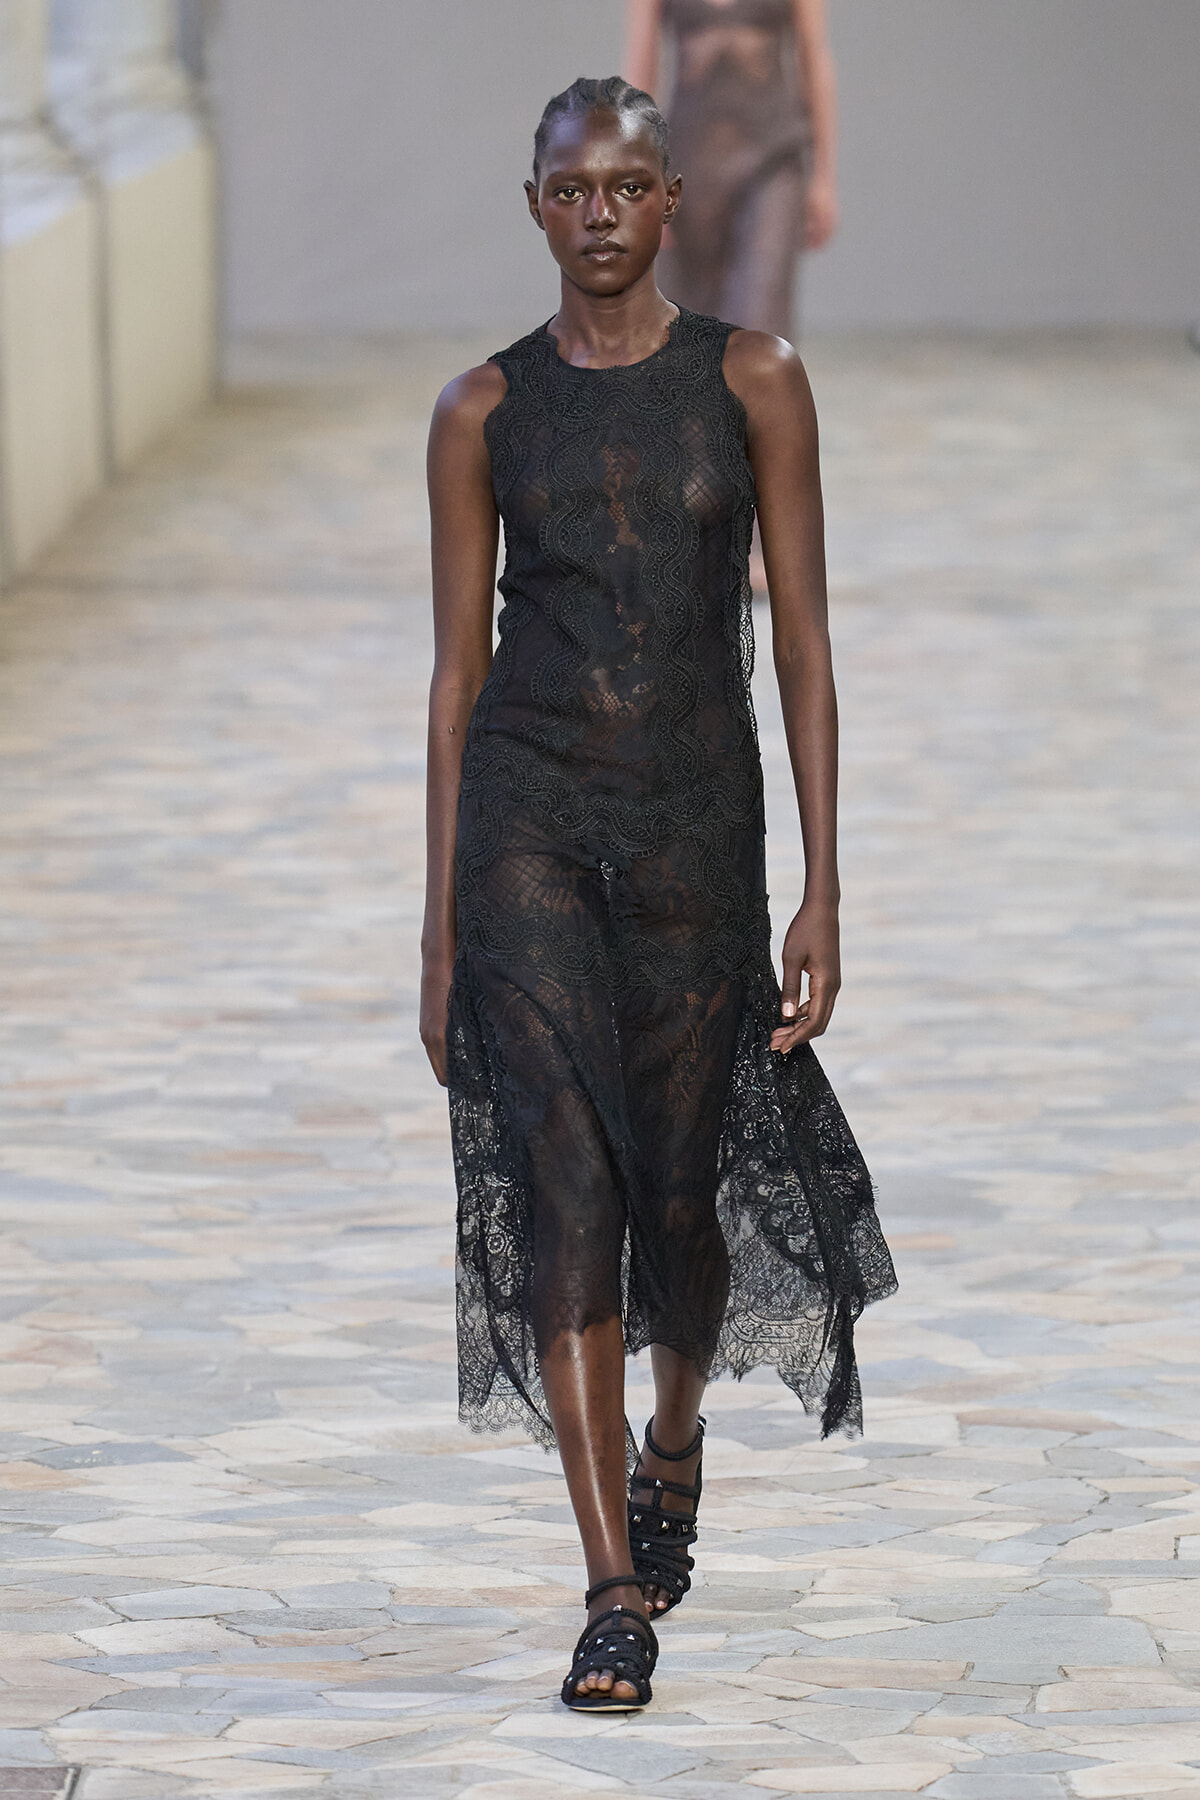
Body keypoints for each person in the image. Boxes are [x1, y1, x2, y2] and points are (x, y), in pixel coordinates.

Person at [421, 76, 894, 1714]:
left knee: (682, 1198)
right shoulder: (481, 411)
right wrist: (440, 928)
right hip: (529, 828)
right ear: (536, 206)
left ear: (673, 202)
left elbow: (809, 647)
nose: (602, 213)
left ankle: (676, 1437)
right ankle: (612, 1586)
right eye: (574, 189)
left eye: (630, 185)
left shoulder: (754, 382)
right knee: (570, 1195)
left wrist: (826, 885)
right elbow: (454, 676)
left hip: (699, 825)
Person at [624, 0, 839, 337]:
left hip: (774, 156)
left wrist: (824, 178)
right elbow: (641, 71)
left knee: (760, 318)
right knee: (689, 328)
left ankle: (760, 388)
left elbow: (814, 63)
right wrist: (639, 181)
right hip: (687, 166)